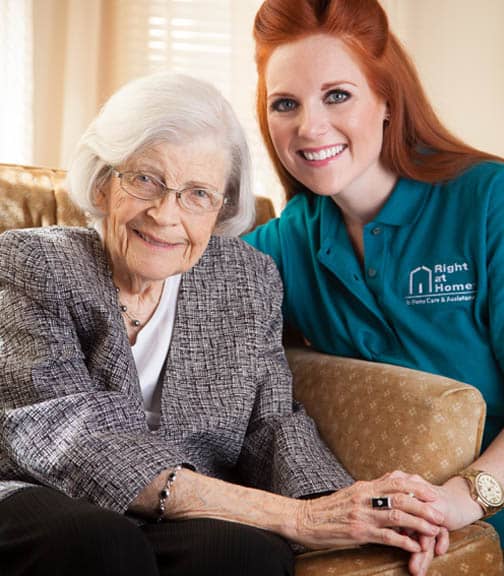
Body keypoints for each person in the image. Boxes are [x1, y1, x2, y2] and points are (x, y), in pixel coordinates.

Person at [0, 71, 445, 576]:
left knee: (245, 555)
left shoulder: (245, 277)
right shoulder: (31, 265)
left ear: (222, 208)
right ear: (104, 184)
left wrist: (345, 505)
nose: (167, 215)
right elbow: (70, 438)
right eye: (146, 179)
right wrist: (296, 516)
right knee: (98, 543)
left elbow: (271, 422)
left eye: (197, 194)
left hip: (185, 509)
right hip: (38, 492)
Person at [243, 0, 504, 572]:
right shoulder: (285, 243)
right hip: (386, 534)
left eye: (337, 95)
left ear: (387, 99)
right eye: (285, 104)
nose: (309, 128)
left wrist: (459, 501)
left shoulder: (489, 201)